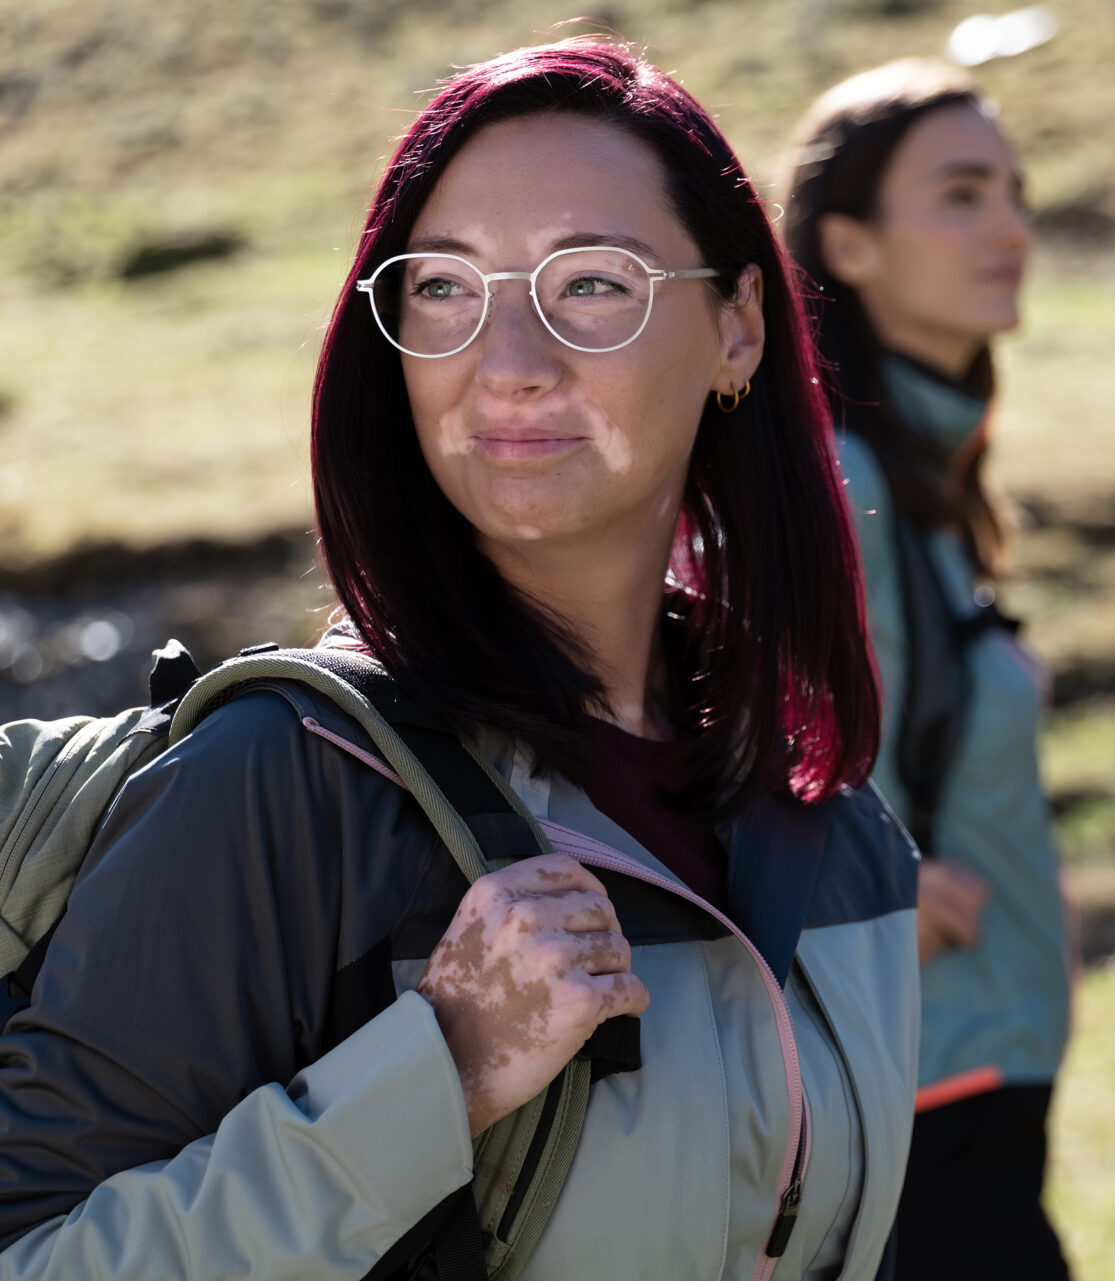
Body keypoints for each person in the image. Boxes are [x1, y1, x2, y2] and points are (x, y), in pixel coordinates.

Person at [0, 39, 919, 1281]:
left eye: (593, 283)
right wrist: (438, 1070)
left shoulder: (841, 833)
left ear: (740, 328)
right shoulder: (279, 787)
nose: (510, 363)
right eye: (444, 288)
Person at [784, 60, 1073, 1281]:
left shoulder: (920, 479)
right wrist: (873, 893)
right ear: (847, 244)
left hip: (975, 1066)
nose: (1009, 225)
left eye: (1011, 189)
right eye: (961, 195)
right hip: (921, 1081)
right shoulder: (843, 482)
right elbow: (769, 748)